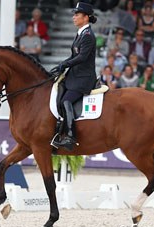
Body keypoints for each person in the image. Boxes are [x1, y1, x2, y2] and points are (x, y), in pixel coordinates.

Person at [53, 2, 98, 151]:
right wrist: (63, 66)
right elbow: (75, 56)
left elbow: (82, 57)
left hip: (83, 78)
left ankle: (71, 136)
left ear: (85, 18)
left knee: (66, 100)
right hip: (74, 75)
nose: (74, 17)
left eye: (77, 15)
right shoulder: (80, 33)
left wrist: (65, 63)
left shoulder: (88, 36)